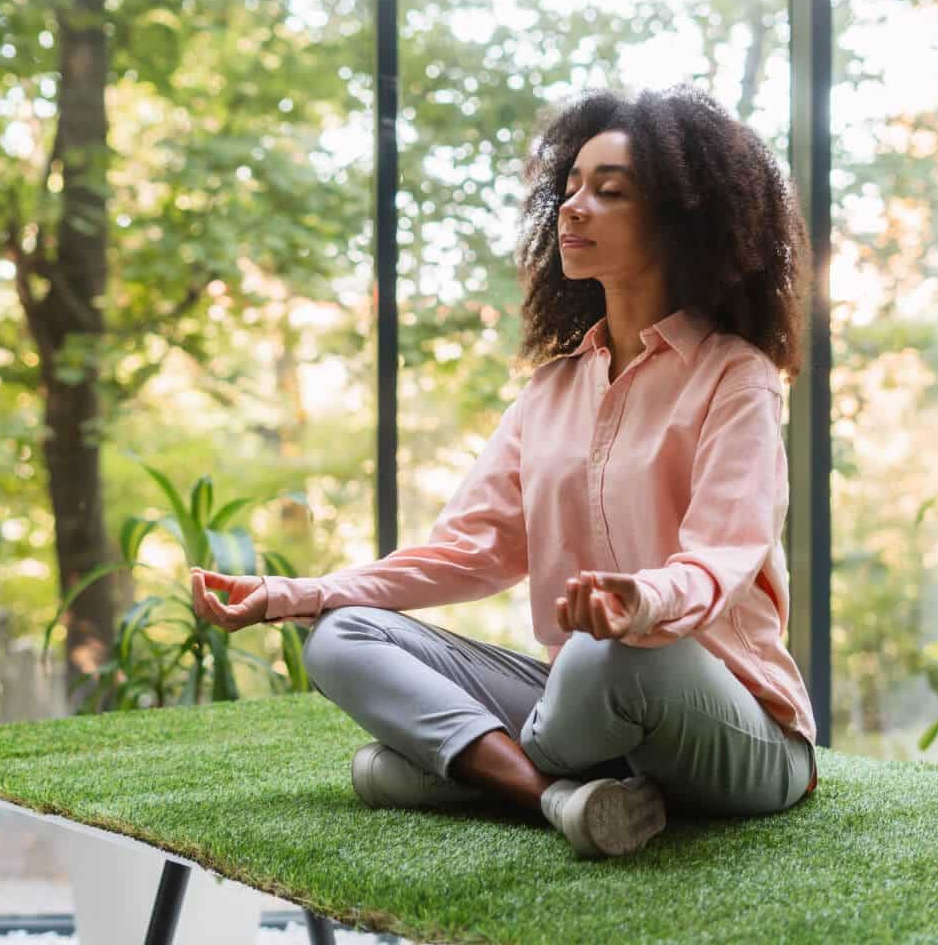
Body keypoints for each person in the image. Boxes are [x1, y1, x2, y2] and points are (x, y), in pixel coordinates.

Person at [189, 85, 818, 860]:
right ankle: (559, 799)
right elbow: (469, 552)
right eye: (571, 186)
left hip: (732, 726)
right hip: (587, 717)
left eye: (609, 191)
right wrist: (296, 595)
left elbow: (725, 554)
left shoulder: (735, 377)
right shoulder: (551, 391)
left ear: (681, 221)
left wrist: (643, 603)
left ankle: (473, 772)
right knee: (340, 636)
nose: (573, 208)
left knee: (599, 657)